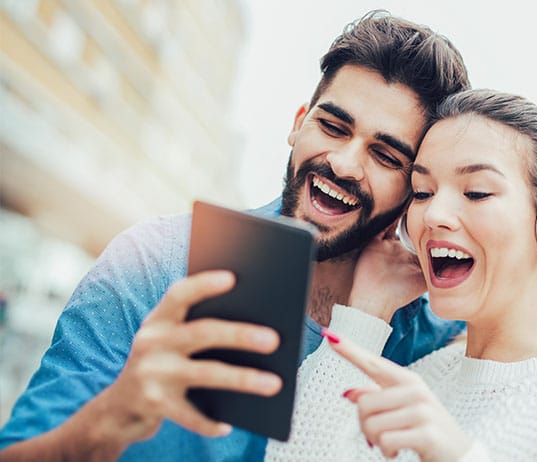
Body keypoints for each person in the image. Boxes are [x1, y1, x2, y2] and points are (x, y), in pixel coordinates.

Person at [0, 11, 470, 461]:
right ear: (297, 123)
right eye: (332, 126)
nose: (344, 164)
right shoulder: (155, 262)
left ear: (416, 187)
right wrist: (115, 412)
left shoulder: (424, 333)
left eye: (386, 156)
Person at [266, 89, 537, 461]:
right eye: (423, 192)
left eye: (477, 192)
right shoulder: (420, 378)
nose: (433, 215)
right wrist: (366, 311)